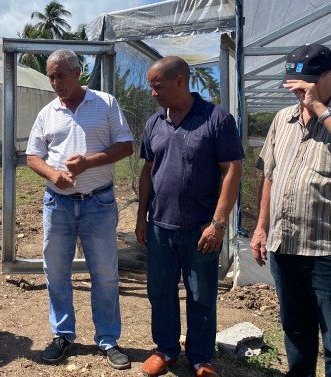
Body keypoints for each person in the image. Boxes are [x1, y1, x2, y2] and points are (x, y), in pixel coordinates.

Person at [26, 49, 134, 370]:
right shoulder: (48, 113)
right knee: (56, 271)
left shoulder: (105, 103)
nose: (55, 82)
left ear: (77, 73)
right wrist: (53, 174)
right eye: (51, 76)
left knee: (104, 273)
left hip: (98, 201)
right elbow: (33, 156)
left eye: (61, 75)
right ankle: (63, 334)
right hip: (57, 203)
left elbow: (126, 145)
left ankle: (108, 339)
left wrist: (89, 162)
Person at [135, 56, 243, 377]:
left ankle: (200, 357)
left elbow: (232, 170)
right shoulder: (155, 123)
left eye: (158, 86)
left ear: (180, 81)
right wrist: (142, 216)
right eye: (151, 88)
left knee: (201, 294)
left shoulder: (216, 120)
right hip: (160, 228)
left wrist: (219, 223)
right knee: (160, 291)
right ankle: (166, 349)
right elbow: (147, 171)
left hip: (200, 229)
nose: (153, 93)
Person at [251, 43, 331, 377]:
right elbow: (270, 175)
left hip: (326, 250)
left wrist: (319, 106)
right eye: (294, 85)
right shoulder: (283, 119)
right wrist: (260, 227)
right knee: (296, 330)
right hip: (285, 246)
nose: (299, 92)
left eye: (307, 84)